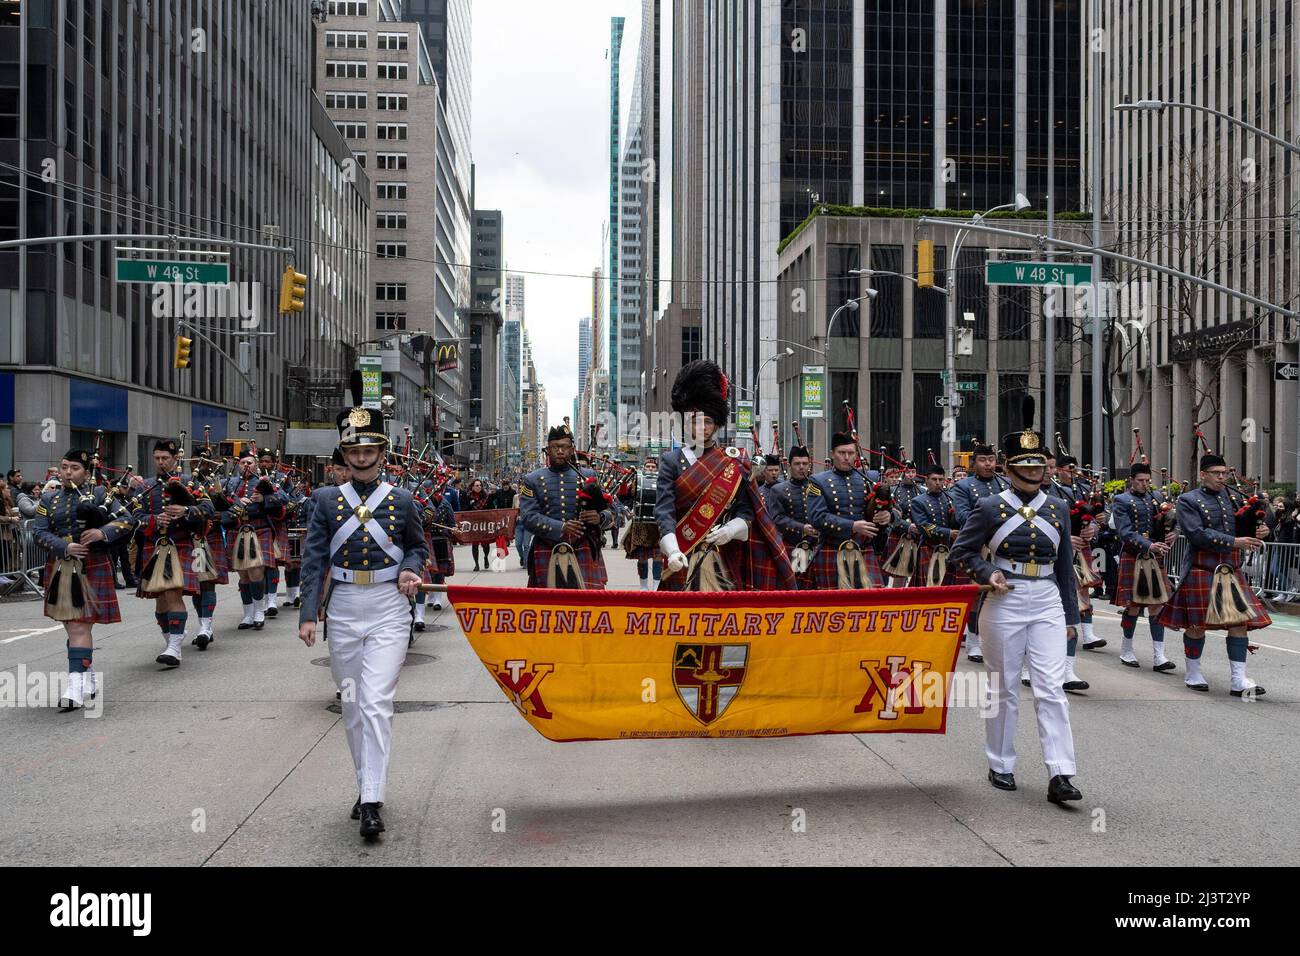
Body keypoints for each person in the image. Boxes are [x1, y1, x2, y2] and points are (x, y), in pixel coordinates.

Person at [297, 388, 427, 840]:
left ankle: (373, 798)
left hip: (390, 606)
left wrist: (411, 571)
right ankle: (364, 784)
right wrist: (308, 614)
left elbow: (417, 546)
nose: (362, 456)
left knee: (375, 702)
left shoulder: (404, 500)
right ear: (345, 454)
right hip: (346, 605)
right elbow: (313, 559)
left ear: (381, 452)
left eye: (369, 449)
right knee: (352, 706)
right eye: (354, 450)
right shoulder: (325, 500)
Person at [950, 399, 1083, 805]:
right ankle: (1001, 762)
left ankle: (1060, 772)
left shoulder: (1058, 507)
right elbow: (962, 552)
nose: (1033, 473)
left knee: (1050, 688)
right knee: (1003, 687)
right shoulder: (991, 507)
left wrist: (1072, 616)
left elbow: (1064, 566)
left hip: (1045, 598)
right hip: (1004, 600)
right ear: (1009, 469)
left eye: (1038, 466)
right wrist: (987, 572)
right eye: (1025, 467)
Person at [655, 361, 794, 592]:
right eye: (695, 421)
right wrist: (672, 550)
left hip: (724, 558)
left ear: (717, 424)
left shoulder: (735, 460)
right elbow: (664, 511)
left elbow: (747, 511)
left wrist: (730, 531)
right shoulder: (671, 461)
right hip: (681, 556)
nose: (702, 427)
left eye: (707, 421)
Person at [1156, 455, 1271, 697]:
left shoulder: (1232, 498)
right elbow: (1196, 533)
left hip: (1230, 567)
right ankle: (1193, 673)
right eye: (1216, 473)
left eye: (1224, 473)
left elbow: (1240, 527)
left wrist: (1259, 529)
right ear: (1203, 474)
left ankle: (1238, 680)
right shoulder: (1188, 500)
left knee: (1239, 624)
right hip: (1202, 567)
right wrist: (1234, 541)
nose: (1222, 477)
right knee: (1197, 625)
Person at [31, 450, 136, 711]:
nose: (67, 472)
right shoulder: (48, 498)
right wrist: (63, 548)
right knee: (74, 627)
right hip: (61, 566)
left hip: (93, 565)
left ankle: (74, 687)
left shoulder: (101, 495)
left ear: (86, 472)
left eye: (74, 468)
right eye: (64, 467)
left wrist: (102, 532)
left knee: (79, 627)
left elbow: (127, 519)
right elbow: (39, 532)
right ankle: (87, 677)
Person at [128, 439, 214, 666]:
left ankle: (175, 648)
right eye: (157, 458)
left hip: (181, 544)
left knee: (173, 593)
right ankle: (172, 639)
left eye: (165, 458)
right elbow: (134, 517)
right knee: (161, 599)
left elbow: (208, 509)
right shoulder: (144, 486)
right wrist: (154, 520)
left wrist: (186, 510)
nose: (161, 462)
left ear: (175, 459)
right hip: (154, 545)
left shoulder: (190, 482)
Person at [519, 426, 614, 589]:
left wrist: (600, 518)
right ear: (547, 450)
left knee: (587, 608)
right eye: (555, 447)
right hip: (546, 546)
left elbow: (612, 511)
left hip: (583, 546)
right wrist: (562, 527)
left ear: (572, 450)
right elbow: (528, 518)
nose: (560, 451)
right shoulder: (532, 479)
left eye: (564, 447)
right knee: (547, 610)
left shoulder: (589, 476)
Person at [1110, 462, 1176, 670]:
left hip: (1155, 557)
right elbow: (1125, 532)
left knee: (1158, 604)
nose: (1144, 484)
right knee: (1134, 606)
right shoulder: (1121, 500)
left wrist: (1174, 532)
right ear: (1131, 479)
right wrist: (1149, 545)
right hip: (1134, 555)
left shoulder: (1156, 498)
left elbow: (1172, 520)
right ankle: (1126, 649)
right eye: (1140, 480)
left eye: (1147, 481)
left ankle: (1159, 656)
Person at [807, 433, 892, 590]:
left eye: (851, 453)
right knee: (831, 609)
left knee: (872, 607)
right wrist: (852, 526)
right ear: (832, 454)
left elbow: (893, 510)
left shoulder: (870, 478)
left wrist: (888, 515)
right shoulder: (817, 481)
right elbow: (816, 517)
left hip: (864, 549)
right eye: (841, 453)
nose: (846, 457)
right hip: (832, 550)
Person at [949, 443, 1009, 662]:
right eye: (983, 460)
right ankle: (973, 640)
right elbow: (962, 516)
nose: (988, 464)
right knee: (976, 596)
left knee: (1003, 594)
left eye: (991, 460)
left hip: (1004, 545)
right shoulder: (963, 486)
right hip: (978, 546)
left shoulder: (1005, 483)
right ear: (974, 463)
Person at [189, 447, 231, 650]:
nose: (200, 464)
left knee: (207, 583)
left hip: (209, 537)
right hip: (190, 538)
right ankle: (203, 625)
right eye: (197, 460)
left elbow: (227, 508)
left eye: (205, 461)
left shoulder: (217, 482)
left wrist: (218, 491)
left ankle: (206, 627)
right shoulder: (183, 480)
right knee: (196, 587)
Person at [768, 444, 819, 590]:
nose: (801, 467)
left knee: (818, 593)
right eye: (797, 464)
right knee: (795, 591)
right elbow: (776, 519)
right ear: (789, 465)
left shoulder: (819, 486)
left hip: (816, 548)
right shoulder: (778, 490)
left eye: (804, 463)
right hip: (792, 547)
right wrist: (802, 528)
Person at [910, 463, 963, 588]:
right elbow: (924, 527)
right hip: (929, 547)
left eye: (940, 479)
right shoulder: (918, 501)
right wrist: (949, 533)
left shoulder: (952, 498)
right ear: (926, 480)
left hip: (952, 547)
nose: (938, 483)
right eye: (934, 479)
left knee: (953, 588)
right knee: (929, 590)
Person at [623, 457, 663, 590]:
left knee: (658, 557)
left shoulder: (663, 481)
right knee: (643, 557)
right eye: (648, 466)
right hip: (640, 524)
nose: (650, 468)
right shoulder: (636, 480)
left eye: (653, 466)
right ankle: (643, 586)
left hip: (657, 525)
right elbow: (626, 498)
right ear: (644, 467)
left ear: (656, 468)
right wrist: (628, 510)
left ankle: (657, 587)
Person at [462, 478, 492, 571]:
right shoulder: (468, 496)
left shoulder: (486, 496)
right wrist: (471, 505)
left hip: (484, 523)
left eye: (480, 485)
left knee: (486, 544)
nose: (479, 487)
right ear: (472, 487)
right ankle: (476, 564)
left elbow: (491, 508)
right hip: (474, 523)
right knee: (475, 544)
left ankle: (486, 557)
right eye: (477, 485)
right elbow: (465, 508)